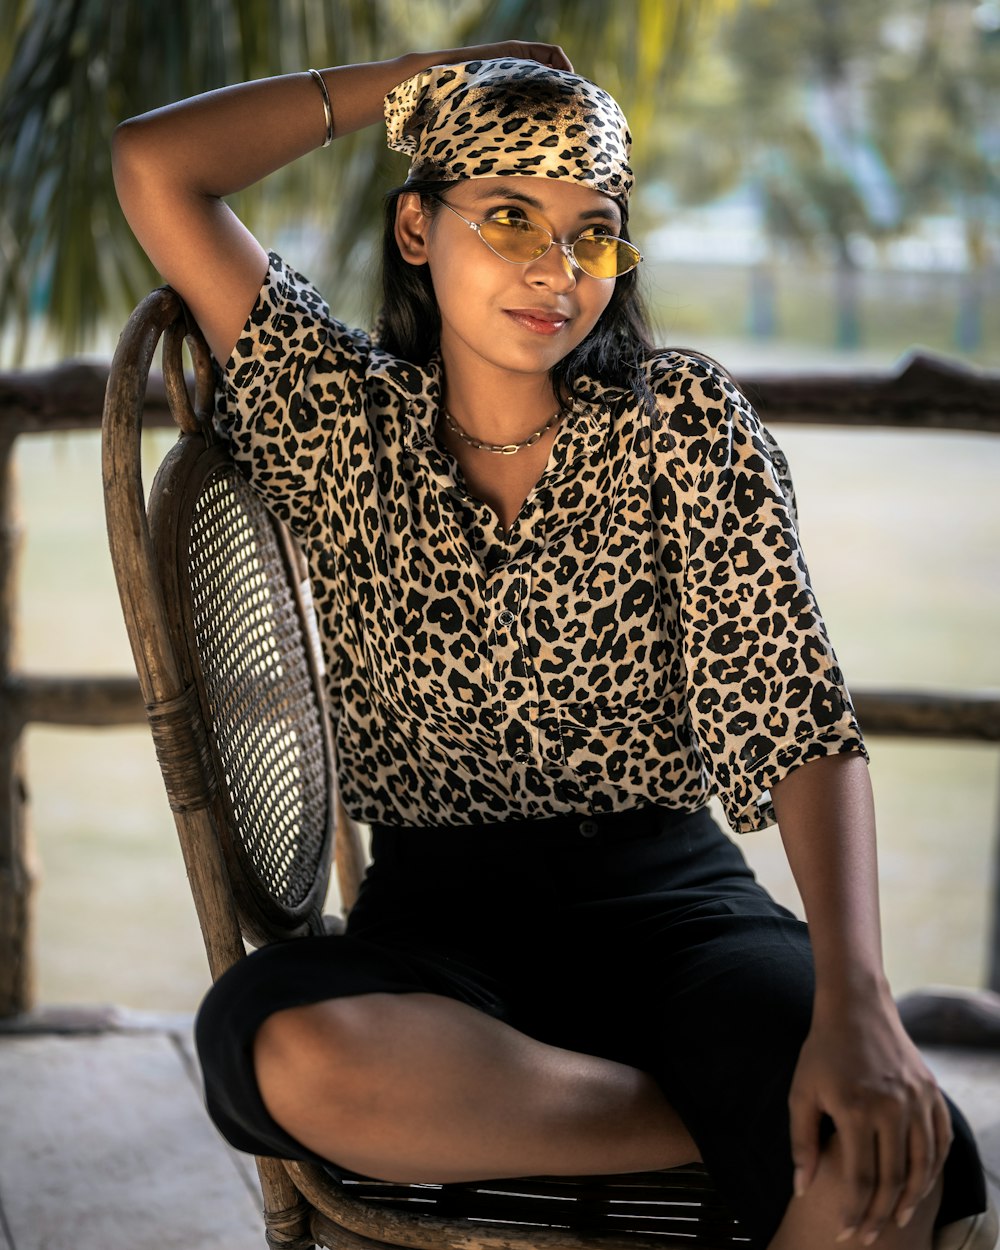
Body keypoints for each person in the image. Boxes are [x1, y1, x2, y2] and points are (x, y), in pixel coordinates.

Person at [112, 40, 995, 1250]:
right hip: (440, 938)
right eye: (512, 217)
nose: (555, 267)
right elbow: (156, 165)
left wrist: (858, 1002)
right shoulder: (337, 420)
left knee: (889, 1168)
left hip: (680, 909)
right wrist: (450, 73)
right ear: (417, 229)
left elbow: (793, 709)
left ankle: (750, 1098)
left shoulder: (677, 420)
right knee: (281, 1049)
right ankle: (713, 1110)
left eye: (591, 232)